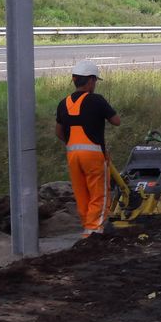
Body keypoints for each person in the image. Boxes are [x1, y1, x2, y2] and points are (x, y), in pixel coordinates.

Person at [55, 60, 121, 237]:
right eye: (95, 81)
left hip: (73, 155)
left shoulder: (63, 103)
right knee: (99, 192)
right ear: (91, 80)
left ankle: (87, 226)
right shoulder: (96, 100)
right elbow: (116, 121)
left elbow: (59, 132)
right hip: (93, 155)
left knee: (81, 192)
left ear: (74, 80)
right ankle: (94, 229)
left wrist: (73, 144)